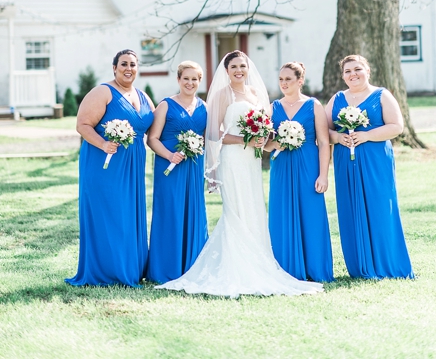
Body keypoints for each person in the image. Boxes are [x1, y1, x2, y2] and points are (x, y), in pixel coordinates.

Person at [157, 51, 322, 297]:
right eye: (233, 66)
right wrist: (246, 140)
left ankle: (258, 263)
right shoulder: (223, 95)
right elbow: (213, 133)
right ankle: (236, 267)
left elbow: (265, 130)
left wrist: (273, 140)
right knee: (235, 210)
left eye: (242, 66)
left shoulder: (256, 94)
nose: (239, 70)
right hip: (233, 159)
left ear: (248, 68)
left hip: (252, 161)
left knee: (253, 209)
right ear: (226, 70)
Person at [66, 50, 154, 287]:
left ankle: (131, 269)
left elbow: (155, 130)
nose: (128, 68)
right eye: (123, 64)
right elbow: (82, 125)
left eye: (133, 64)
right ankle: (107, 271)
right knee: (110, 213)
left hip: (134, 165)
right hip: (105, 163)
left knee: (129, 214)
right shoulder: (103, 92)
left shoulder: (144, 96)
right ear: (114, 68)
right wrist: (104, 143)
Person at [327, 55, 414, 279]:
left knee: (380, 206)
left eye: (357, 69)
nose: (353, 74)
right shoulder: (337, 99)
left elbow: (397, 126)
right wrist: (337, 137)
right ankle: (359, 265)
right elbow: (323, 130)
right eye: (347, 71)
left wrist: (367, 136)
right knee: (350, 207)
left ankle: (387, 263)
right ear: (342, 75)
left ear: (367, 70)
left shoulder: (381, 95)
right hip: (345, 161)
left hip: (376, 160)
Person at [266, 61, 334, 282]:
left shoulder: (313, 105)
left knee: (311, 215)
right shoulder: (272, 107)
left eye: (289, 79)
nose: (284, 83)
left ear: (300, 81)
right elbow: (265, 144)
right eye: (281, 79)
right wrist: (275, 144)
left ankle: (315, 269)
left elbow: (324, 142)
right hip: (282, 167)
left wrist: (323, 175)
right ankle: (286, 268)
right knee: (281, 214)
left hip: (308, 166)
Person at [146, 61, 209, 283]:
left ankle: (193, 266)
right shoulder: (165, 105)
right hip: (169, 168)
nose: (190, 83)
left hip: (194, 167)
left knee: (193, 211)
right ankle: (167, 268)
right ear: (178, 80)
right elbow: (152, 139)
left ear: (199, 81)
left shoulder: (205, 107)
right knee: (171, 212)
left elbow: (211, 137)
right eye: (186, 78)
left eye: (195, 79)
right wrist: (169, 155)